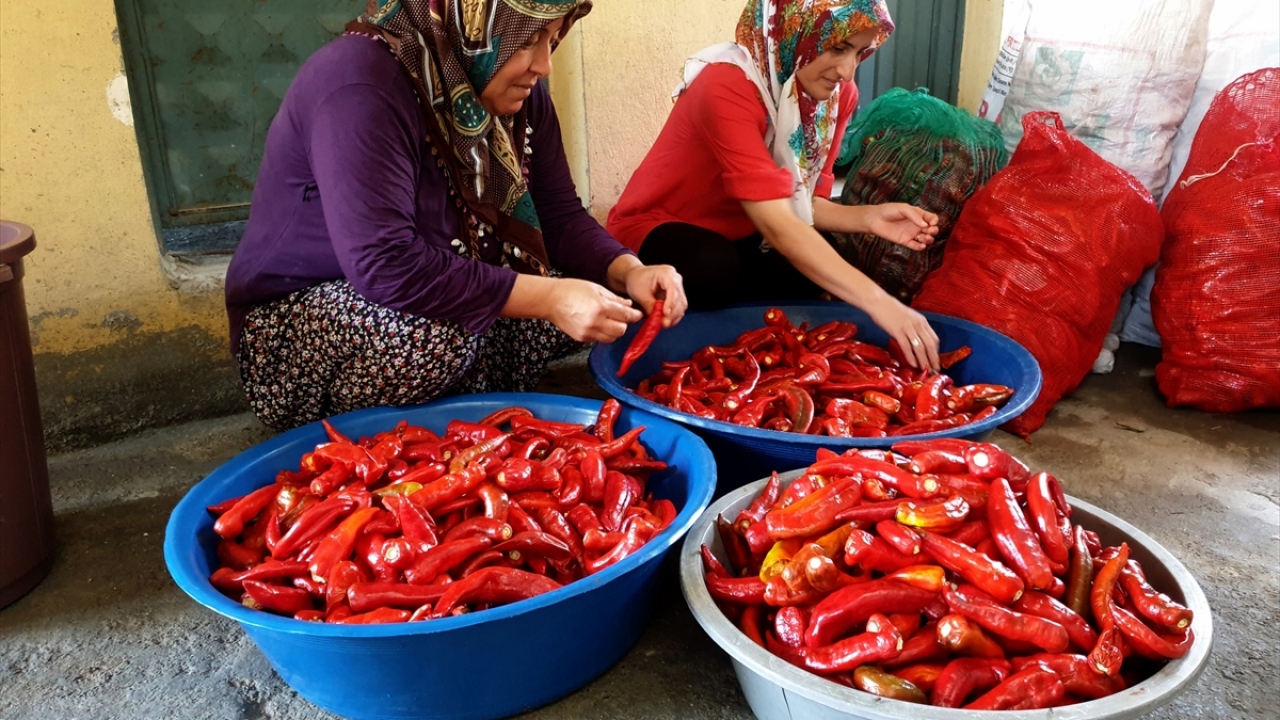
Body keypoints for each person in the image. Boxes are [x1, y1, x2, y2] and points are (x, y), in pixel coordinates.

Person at [224, 0, 687, 431]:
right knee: (437, 337)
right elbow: (385, 263)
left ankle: (462, 400)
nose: (544, 65)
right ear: (475, 23)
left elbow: (560, 216)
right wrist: (549, 298)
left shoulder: (518, 95)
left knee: (609, 296)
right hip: (300, 327)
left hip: (429, 292)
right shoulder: (359, 82)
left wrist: (631, 271)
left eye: (552, 39)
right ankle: (361, 433)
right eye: (527, 41)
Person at [606, 0, 940, 370]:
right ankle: (681, 332)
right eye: (838, 48)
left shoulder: (836, 98)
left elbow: (802, 205)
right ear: (795, 30)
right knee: (713, 267)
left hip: (746, 233)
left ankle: (736, 349)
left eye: (860, 52)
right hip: (661, 227)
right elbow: (779, 226)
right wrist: (882, 304)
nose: (847, 71)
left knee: (818, 258)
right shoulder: (727, 84)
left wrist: (869, 218)